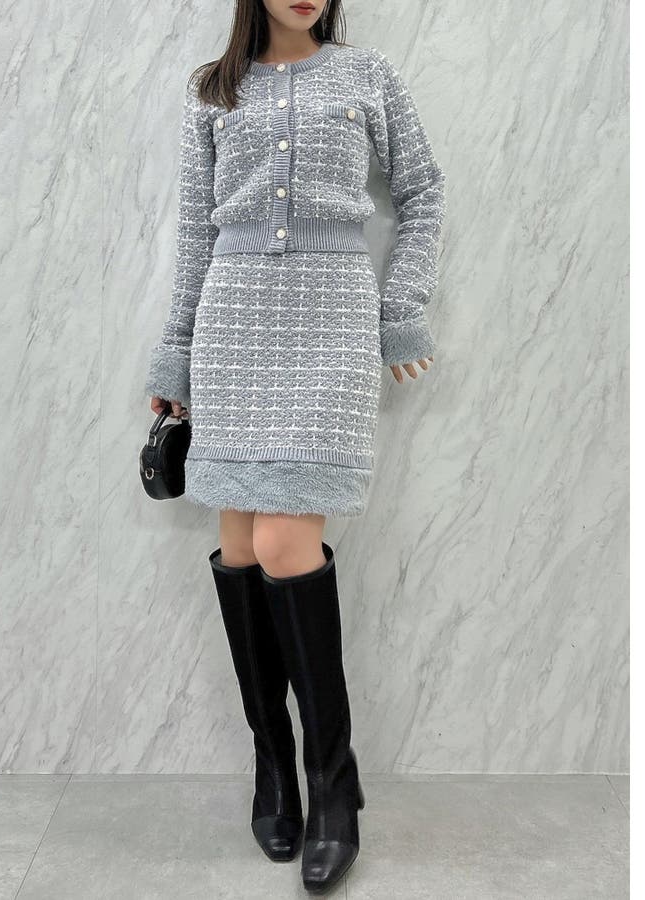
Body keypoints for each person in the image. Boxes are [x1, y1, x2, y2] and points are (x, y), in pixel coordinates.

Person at [144, 1, 446, 893]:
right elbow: (195, 232)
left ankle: (334, 786)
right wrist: (175, 355)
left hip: (332, 321)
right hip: (232, 322)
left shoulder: (367, 76)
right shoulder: (213, 90)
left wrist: (401, 308)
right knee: (240, 544)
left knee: (284, 540)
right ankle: (273, 767)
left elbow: (424, 191)